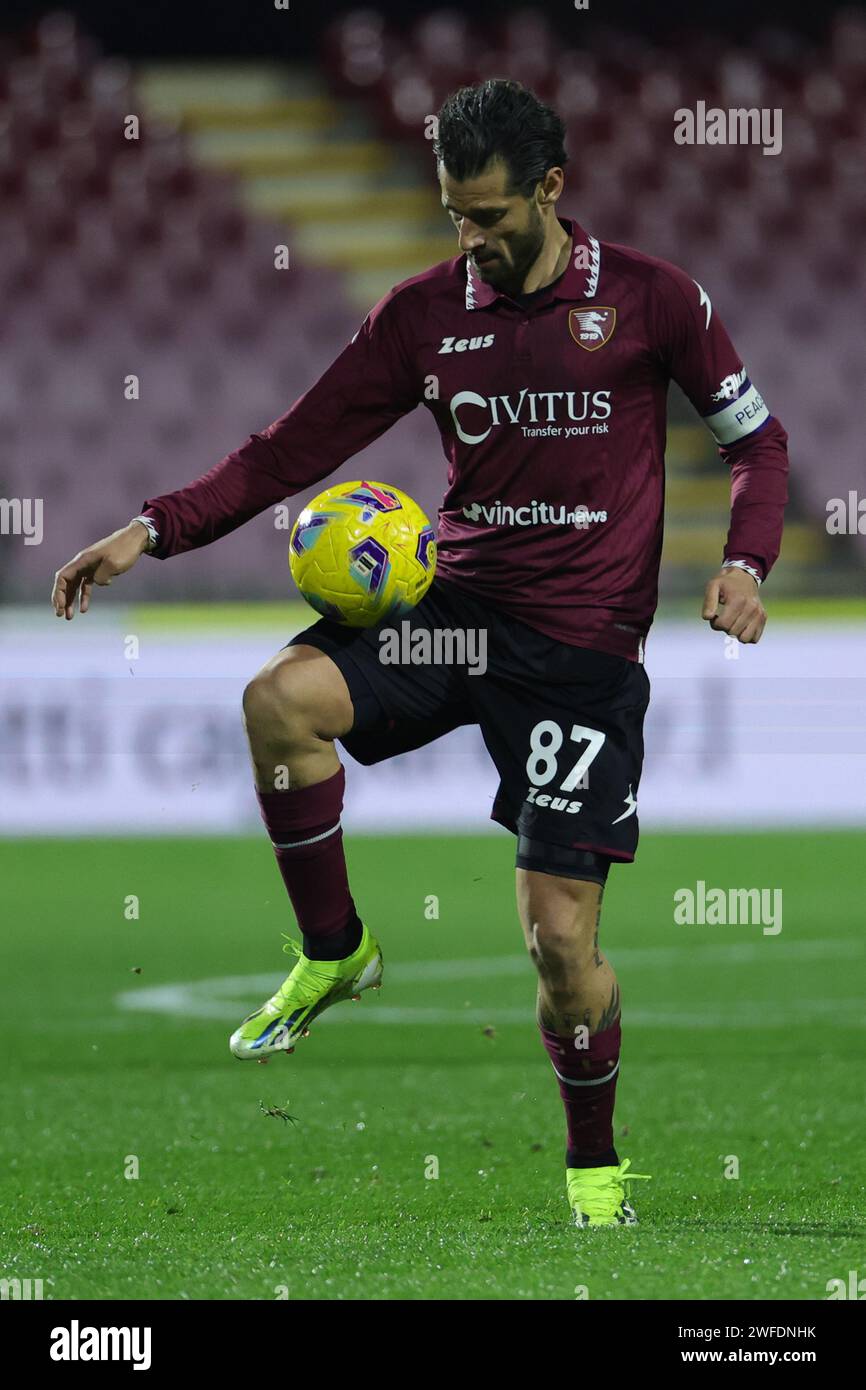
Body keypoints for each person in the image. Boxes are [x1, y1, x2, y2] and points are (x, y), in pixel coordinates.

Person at [52, 79, 787, 1227]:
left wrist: (744, 561)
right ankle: (333, 948)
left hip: (578, 655)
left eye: (489, 216)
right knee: (277, 702)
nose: (470, 240)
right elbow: (287, 448)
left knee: (556, 948)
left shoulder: (653, 302)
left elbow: (757, 442)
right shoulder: (420, 316)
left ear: (550, 189)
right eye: (453, 213)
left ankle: (592, 1168)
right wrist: (152, 528)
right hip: (454, 611)